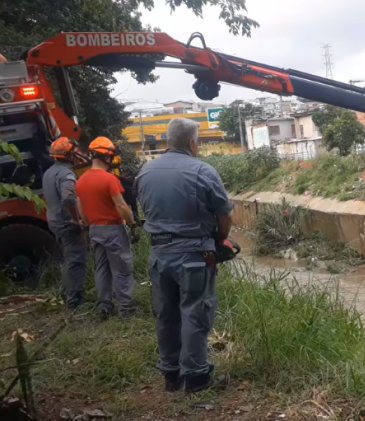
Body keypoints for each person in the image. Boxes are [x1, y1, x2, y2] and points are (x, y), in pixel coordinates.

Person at [137, 118, 233, 394]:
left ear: (169, 141)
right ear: (192, 143)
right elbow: (224, 214)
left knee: (166, 314)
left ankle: (171, 375)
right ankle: (196, 377)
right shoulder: (202, 170)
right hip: (194, 255)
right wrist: (218, 239)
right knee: (195, 312)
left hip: (159, 254)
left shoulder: (145, 173)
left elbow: (143, 209)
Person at [76, 136, 138, 319]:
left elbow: (80, 209)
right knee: (122, 269)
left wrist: (88, 226)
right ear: (107, 157)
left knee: (101, 268)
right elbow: (121, 205)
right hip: (113, 229)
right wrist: (132, 223)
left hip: (94, 229)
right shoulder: (109, 180)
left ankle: (105, 305)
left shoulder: (80, 181)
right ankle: (126, 308)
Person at [42, 137, 87, 309]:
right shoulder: (66, 175)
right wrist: (77, 219)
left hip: (54, 221)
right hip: (66, 223)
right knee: (76, 259)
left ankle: (68, 292)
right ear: (68, 155)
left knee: (67, 259)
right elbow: (68, 199)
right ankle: (75, 300)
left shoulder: (48, 173)